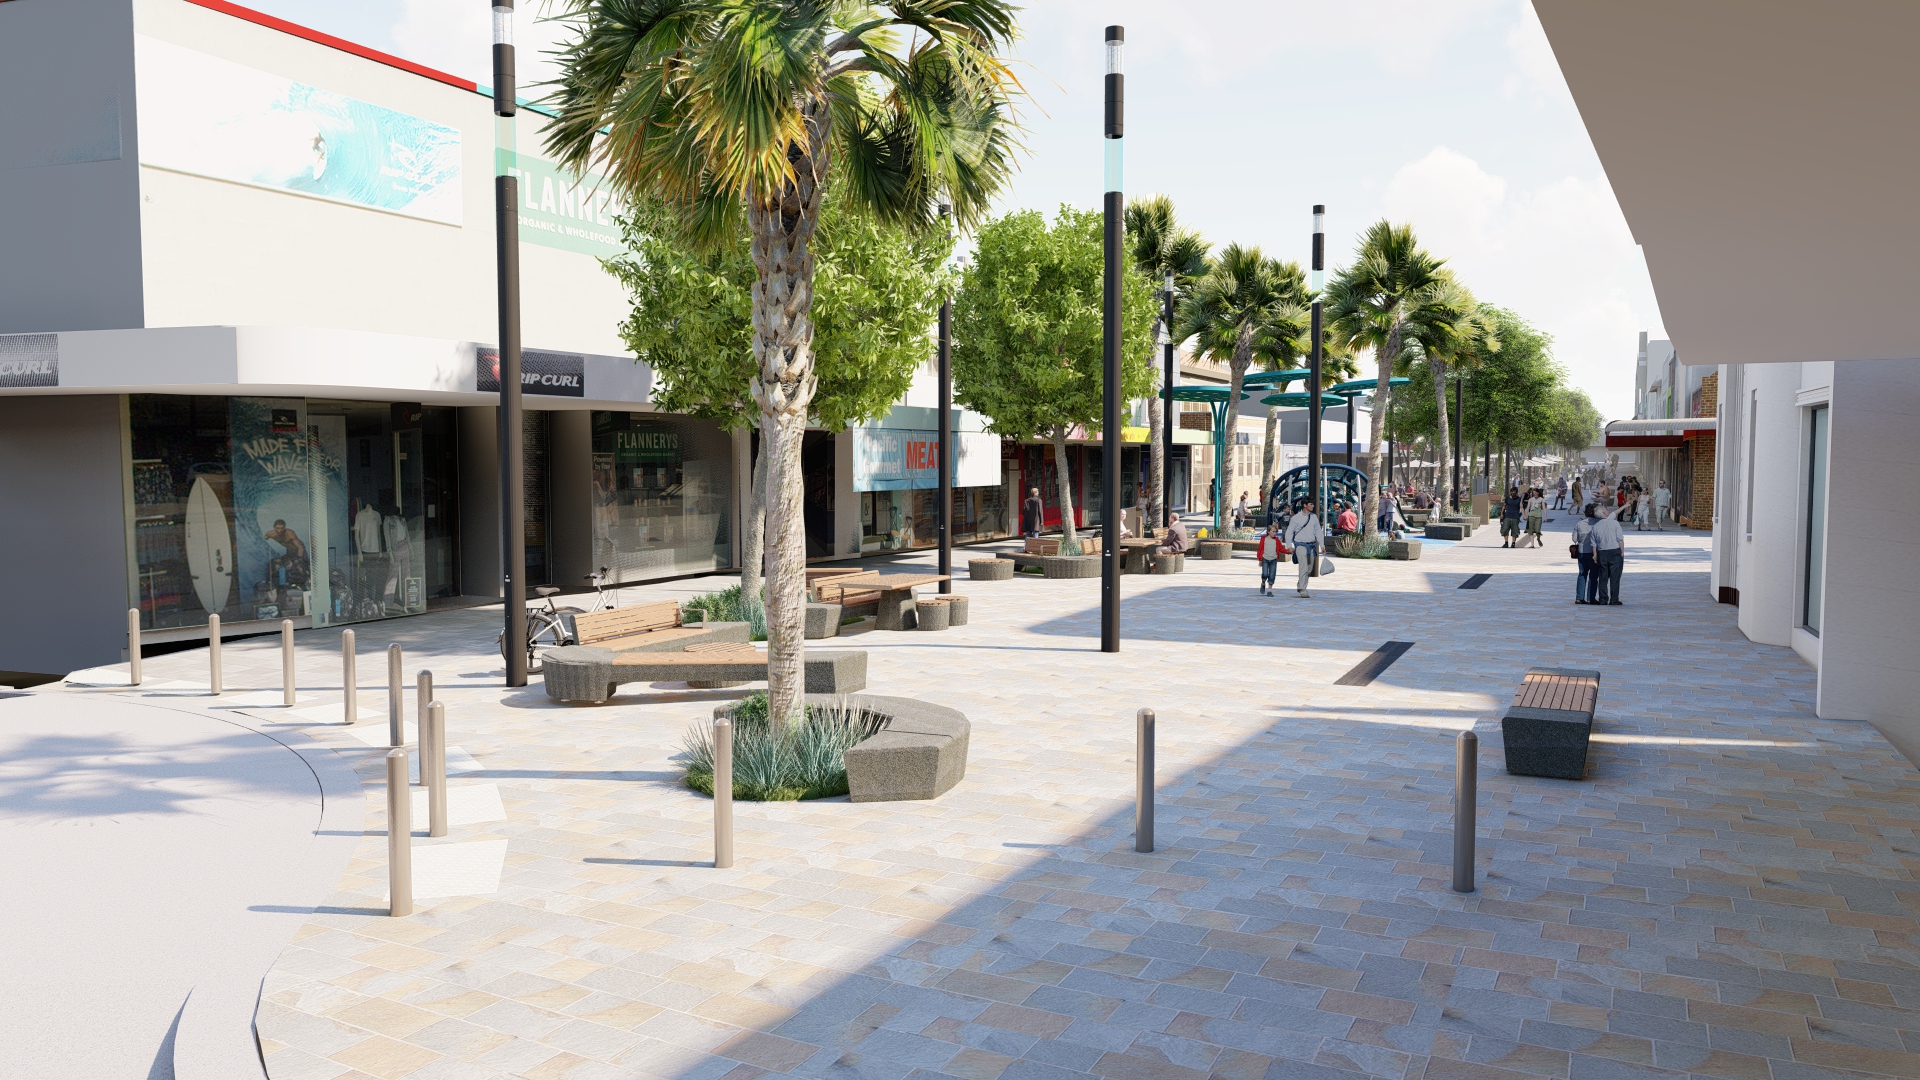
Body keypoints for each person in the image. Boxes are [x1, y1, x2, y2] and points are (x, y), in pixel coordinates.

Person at [1284, 497, 1324, 598]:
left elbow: (1318, 532)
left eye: (1313, 504)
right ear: (1304, 505)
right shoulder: (1295, 518)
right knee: (1303, 567)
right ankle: (1303, 589)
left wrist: (1322, 545)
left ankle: (1300, 585)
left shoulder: (1314, 517)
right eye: (1311, 504)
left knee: (1309, 569)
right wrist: (1289, 546)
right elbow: (1289, 532)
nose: (1313, 506)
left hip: (1311, 546)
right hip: (1300, 545)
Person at [1588, 505, 1626, 604]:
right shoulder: (1614, 523)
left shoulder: (1595, 527)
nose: (1607, 509)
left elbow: (1594, 545)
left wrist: (1595, 557)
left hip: (1602, 553)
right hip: (1614, 552)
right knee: (1615, 577)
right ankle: (1614, 599)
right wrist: (1622, 552)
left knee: (1603, 577)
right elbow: (1620, 539)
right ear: (1603, 513)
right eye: (1605, 509)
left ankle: (1603, 599)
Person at [1573, 502, 1599, 604]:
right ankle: (1590, 598)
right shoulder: (1598, 523)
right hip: (1594, 552)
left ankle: (1579, 597)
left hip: (1582, 551)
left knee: (1582, 574)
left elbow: (1574, 539)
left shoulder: (1579, 524)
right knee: (1593, 575)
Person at [1254, 518, 1284, 595]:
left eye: (1275, 532)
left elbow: (1281, 548)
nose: (1275, 533)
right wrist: (1260, 559)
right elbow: (1260, 549)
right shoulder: (1263, 539)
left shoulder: (1276, 540)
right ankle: (1263, 583)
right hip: (1265, 559)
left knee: (1272, 575)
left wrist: (1288, 551)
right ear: (1268, 531)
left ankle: (1269, 590)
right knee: (1265, 574)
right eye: (1273, 532)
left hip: (1273, 560)